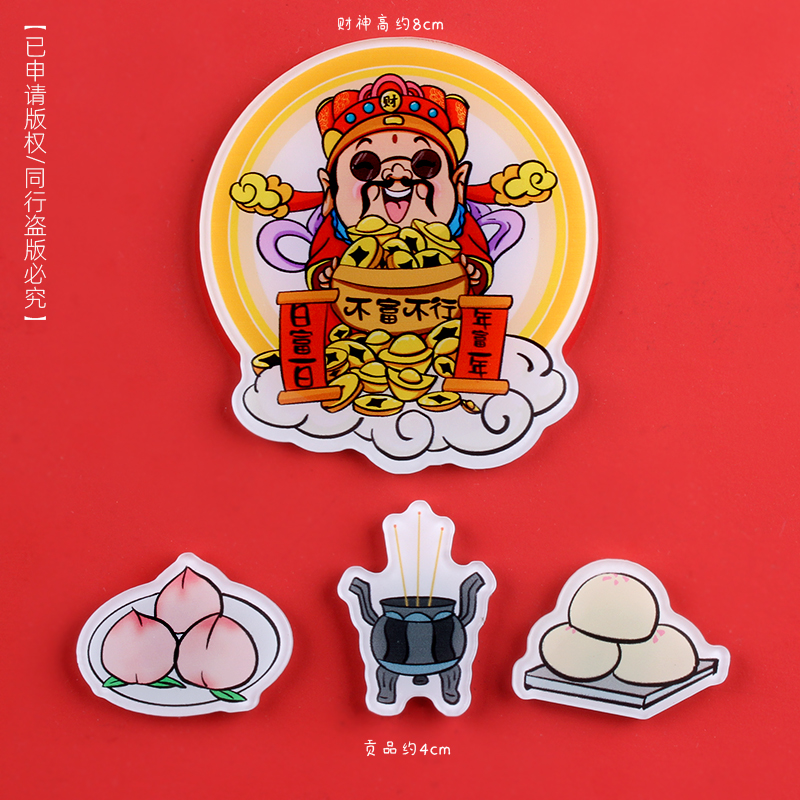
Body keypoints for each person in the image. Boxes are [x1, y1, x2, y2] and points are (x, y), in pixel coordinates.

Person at [231, 73, 557, 294]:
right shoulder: (337, 231)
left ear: (459, 184)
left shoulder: (459, 226)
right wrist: (325, 274)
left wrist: (473, 271)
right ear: (330, 191)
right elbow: (320, 266)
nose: (395, 175)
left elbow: (477, 261)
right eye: (365, 167)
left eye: (424, 165)